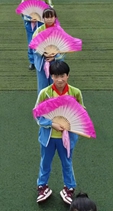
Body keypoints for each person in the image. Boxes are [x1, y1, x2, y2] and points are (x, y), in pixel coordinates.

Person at [35, 60, 83, 206]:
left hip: (67, 137)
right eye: (56, 76)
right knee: (45, 162)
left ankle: (69, 188)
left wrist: (71, 124)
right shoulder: (45, 93)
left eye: (62, 75)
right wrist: (52, 124)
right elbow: (38, 115)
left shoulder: (75, 92)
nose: (59, 79)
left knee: (67, 163)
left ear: (68, 75)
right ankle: (42, 186)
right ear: (52, 76)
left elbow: (81, 113)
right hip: (48, 137)